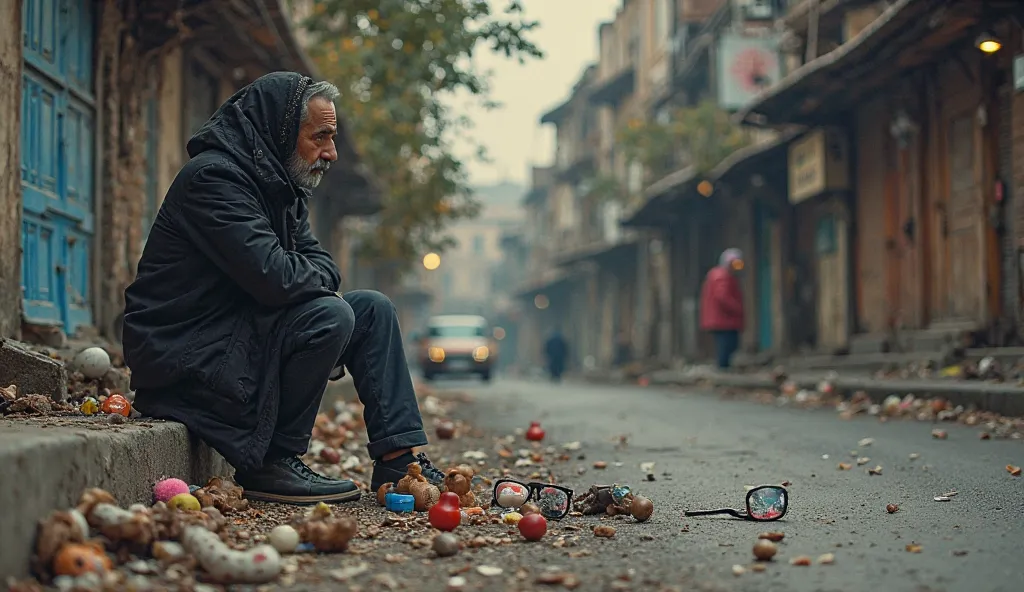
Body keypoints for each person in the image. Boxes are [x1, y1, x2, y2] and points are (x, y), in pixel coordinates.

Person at [122, 72, 443, 505]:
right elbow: (276, 279)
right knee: (331, 315)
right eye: (320, 137)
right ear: (279, 129)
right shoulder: (214, 180)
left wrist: (311, 282)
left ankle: (397, 458)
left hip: (234, 331)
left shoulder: (279, 187)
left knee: (371, 309)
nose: (330, 152)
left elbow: (321, 267)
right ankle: (271, 462)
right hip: (182, 350)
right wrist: (312, 286)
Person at [699, 248, 745, 370]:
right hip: (724, 319)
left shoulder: (719, 275)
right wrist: (736, 308)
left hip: (721, 319)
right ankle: (723, 367)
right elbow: (722, 296)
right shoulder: (722, 277)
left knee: (726, 343)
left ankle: (723, 366)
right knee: (727, 343)